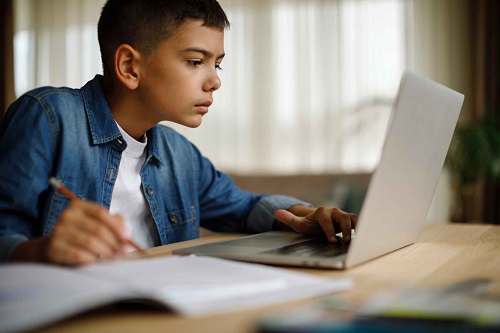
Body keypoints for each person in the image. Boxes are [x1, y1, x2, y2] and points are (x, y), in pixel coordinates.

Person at [0, 0, 357, 266]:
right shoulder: (48, 119)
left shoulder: (179, 154)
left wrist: (305, 215)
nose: (215, 80)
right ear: (129, 67)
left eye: (217, 64)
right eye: (195, 61)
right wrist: (41, 251)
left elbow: (245, 207)